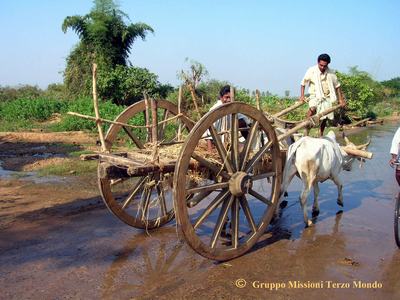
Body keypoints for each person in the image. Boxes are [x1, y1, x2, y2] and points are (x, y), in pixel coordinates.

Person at [299, 53, 346, 137]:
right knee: (312, 108)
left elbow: (337, 86)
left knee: (325, 116)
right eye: (321, 65)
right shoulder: (311, 70)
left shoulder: (331, 73)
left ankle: (320, 134)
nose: (322, 67)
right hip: (314, 95)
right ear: (318, 62)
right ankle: (306, 130)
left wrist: (341, 99)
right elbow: (303, 83)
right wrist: (302, 96)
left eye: (325, 66)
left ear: (327, 64)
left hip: (327, 97)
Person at [206, 85, 249, 151]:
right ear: (221, 97)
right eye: (226, 97)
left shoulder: (233, 108)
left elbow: (245, 120)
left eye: (231, 98)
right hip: (218, 145)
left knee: (242, 121)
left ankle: (249, 143)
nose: (229, 100)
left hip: (230, 142)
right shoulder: (215, 110)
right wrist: (210, 152)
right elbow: (209, 134)